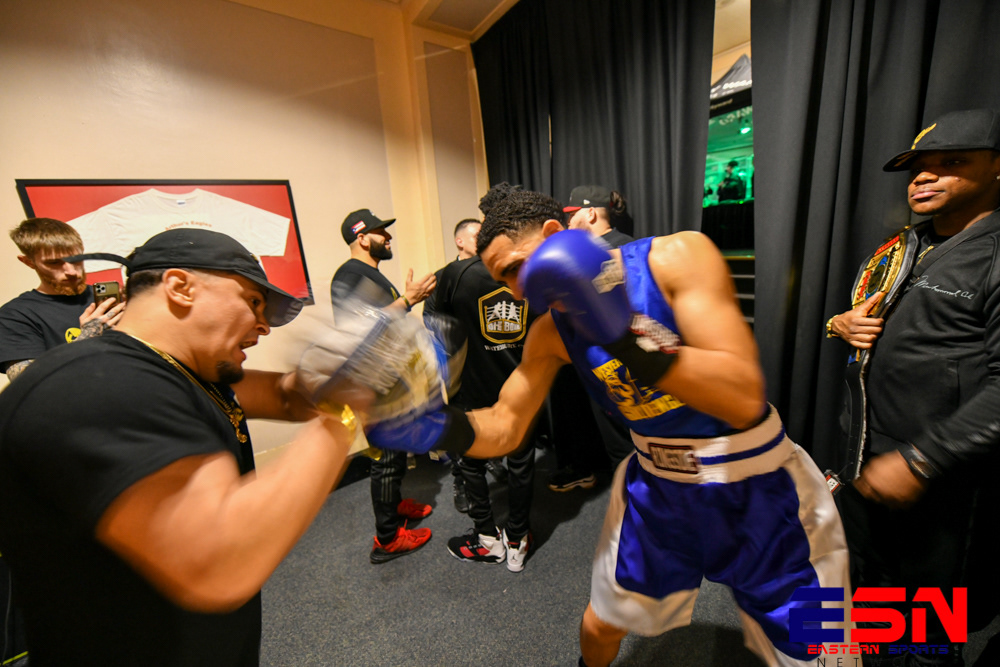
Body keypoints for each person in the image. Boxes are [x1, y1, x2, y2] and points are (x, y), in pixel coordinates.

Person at [362, 188, 851, 666]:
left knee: (820, 650)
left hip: (759, 485)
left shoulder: (675, 257)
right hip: (659, 488)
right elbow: (506, 425)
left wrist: (626, 335)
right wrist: (431, 426)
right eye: (501, 278)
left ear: (555, 234)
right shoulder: (551, 331)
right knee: (601, 625)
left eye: (514, 268)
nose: (514, 289)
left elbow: (743, 395)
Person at [0, 228, 359, 666]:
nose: (263, 326)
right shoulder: (96, 383)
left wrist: (350, 372)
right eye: (253, 302)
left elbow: (286, 395)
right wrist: (345, 420)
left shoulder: (182, 370)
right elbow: (219, 559)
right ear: (180, 287)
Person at [827, 108, 1000, 664]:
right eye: (918, 168)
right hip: (866, 459)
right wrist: (839, 323)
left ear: (997, 169)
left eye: (951, 163)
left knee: (927, 624)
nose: (924, 177)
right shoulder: (902, 245)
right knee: (872, 595)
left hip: (937, 479)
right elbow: (865, 315)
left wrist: (923, 459)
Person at [425, 194, 540, 572]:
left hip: (476, 388)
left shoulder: (454, 275)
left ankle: (489, 538)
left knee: (475, 463)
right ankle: (516, 539)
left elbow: (434, 327)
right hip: (518, 385)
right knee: (521, 462)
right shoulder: (526, 272)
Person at [330, 208, 437, 564]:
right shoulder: (348, 275)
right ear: (361, 238)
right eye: (380, 233)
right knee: (386, 460)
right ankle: (388, 539)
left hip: (391, 378)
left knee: (396, 455)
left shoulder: (371, 275)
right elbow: (362, 330)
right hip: (374, 383)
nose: (388, 237)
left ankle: (394, 505)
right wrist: (408, 300)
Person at [0, 217, 123, 380]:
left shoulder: (112, 299)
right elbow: (29, 385)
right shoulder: (15, 315)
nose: (72, 271)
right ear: (29, 262)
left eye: (77, 259)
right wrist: (84, 342)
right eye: (54, 263)